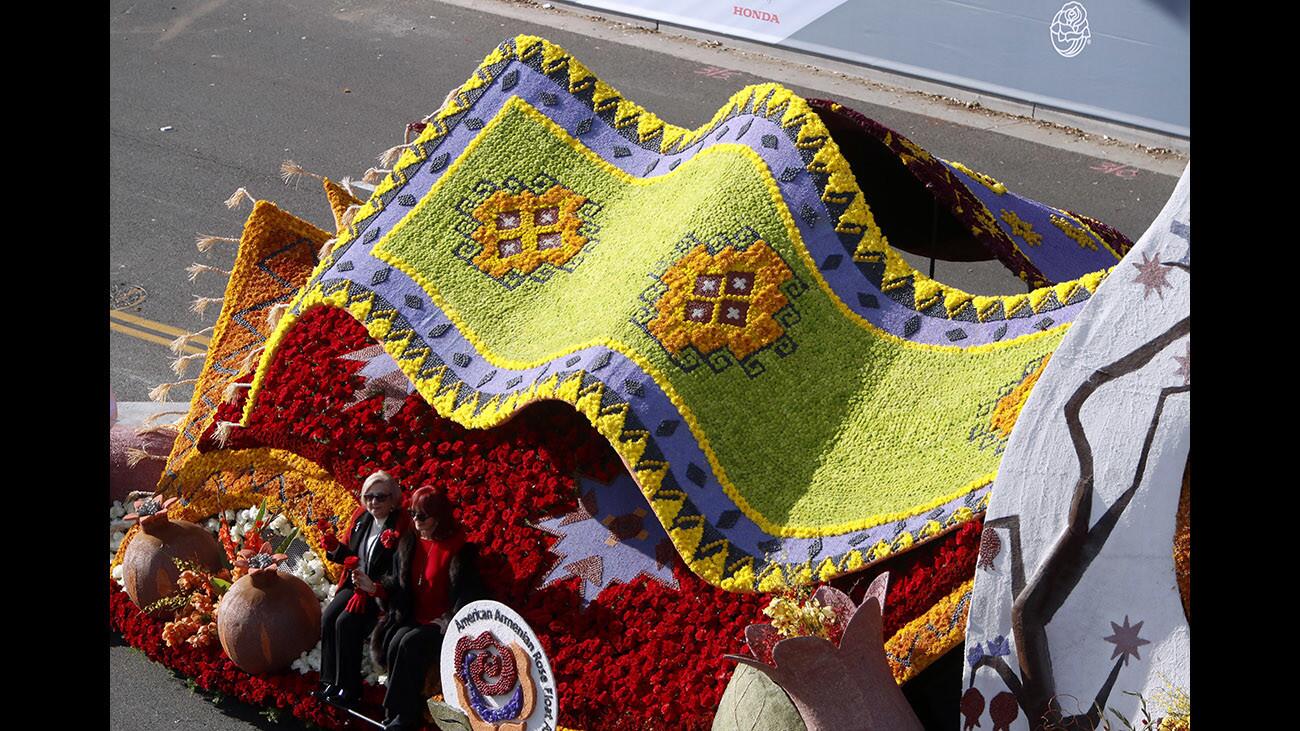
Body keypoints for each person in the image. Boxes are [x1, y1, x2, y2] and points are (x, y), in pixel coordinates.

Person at [371, 485, 483, 730]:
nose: (415, 520)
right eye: (412, 514)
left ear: (438, 516)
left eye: (422, 516)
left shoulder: (459, 549)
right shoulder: (410, 542)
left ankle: (405, 715)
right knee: (395, 640)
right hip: (414, 615)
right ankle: (393, 712)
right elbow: (396, 583)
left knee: (409, 643)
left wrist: (443, 621)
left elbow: (467, 595)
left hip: (442, 623)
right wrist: (375, 588)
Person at [316, 471, 409, 707]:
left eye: (381, 497)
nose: (374, 503)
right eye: (369, 497)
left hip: (378, 592)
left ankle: (349, 688)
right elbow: (349, 555)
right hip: (355, 584)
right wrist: (335, 548)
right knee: (328, 617)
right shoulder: (361, 518)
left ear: (393, 499)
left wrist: (374, 587)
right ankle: (329, 681)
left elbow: (399, 573)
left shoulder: (400, 525)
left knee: (346, 622)